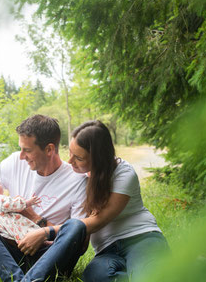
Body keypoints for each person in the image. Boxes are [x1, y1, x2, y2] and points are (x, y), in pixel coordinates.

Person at [0, 115, 88, 282]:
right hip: (9, 251)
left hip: (49, 255)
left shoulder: (77, 181)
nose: (21, 156)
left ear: (49, 149)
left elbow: (80, 243)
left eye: (27, 150)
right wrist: (5, 222)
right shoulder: (15, 162)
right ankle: (18, 278)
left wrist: (38, 224)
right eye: (21, 149)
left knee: (77, 226)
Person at [69, 120, 169, 281]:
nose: (70, 161)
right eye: (70, 153)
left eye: (78, 157)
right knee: (94, 276)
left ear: (98, 158)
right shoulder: (79, 178)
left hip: (140, 238)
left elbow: (99, 220)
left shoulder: (124, 173)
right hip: (106, 251)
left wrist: (48, 232)